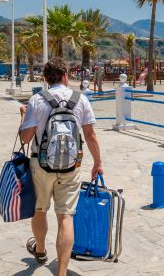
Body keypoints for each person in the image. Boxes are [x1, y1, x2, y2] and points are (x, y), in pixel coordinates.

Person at [18, 57, 103, 276]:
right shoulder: (80, 99)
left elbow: (26, 139)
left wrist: (22, 118)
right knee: (65, 216)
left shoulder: (37, 100)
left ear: (45, 79)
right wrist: (97, 162)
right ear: (65, 76)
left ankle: (41, 250)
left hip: (41, 165)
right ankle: (62, 273)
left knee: (40, 209)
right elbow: (90, 135)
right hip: (71, 166)